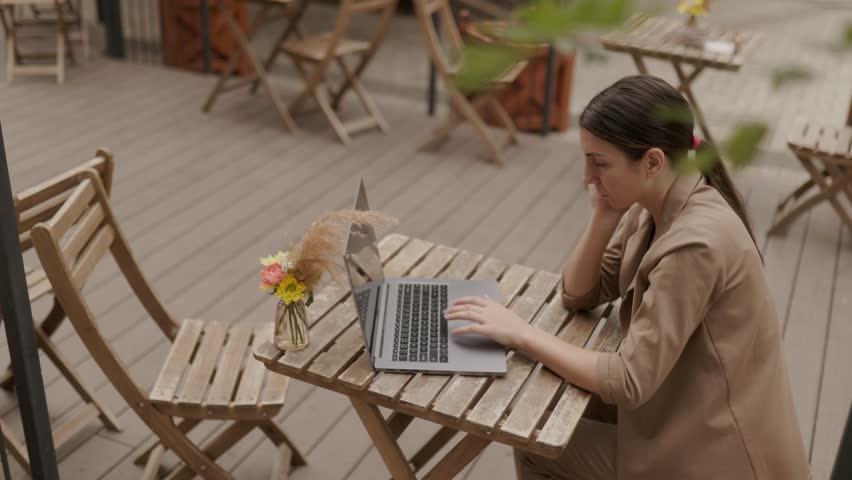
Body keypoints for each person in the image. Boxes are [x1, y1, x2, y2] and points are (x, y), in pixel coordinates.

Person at [446, 75, 811, 479]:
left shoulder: (696, 244)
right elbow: (578, 293)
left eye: (599, 163)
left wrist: (522, 334)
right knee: (547, 410)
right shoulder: (651, 201)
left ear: (652, 161)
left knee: (536, 443)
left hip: (713, 454)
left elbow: (628, 380)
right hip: (679, 411)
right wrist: (602, 217)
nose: (587, 177)